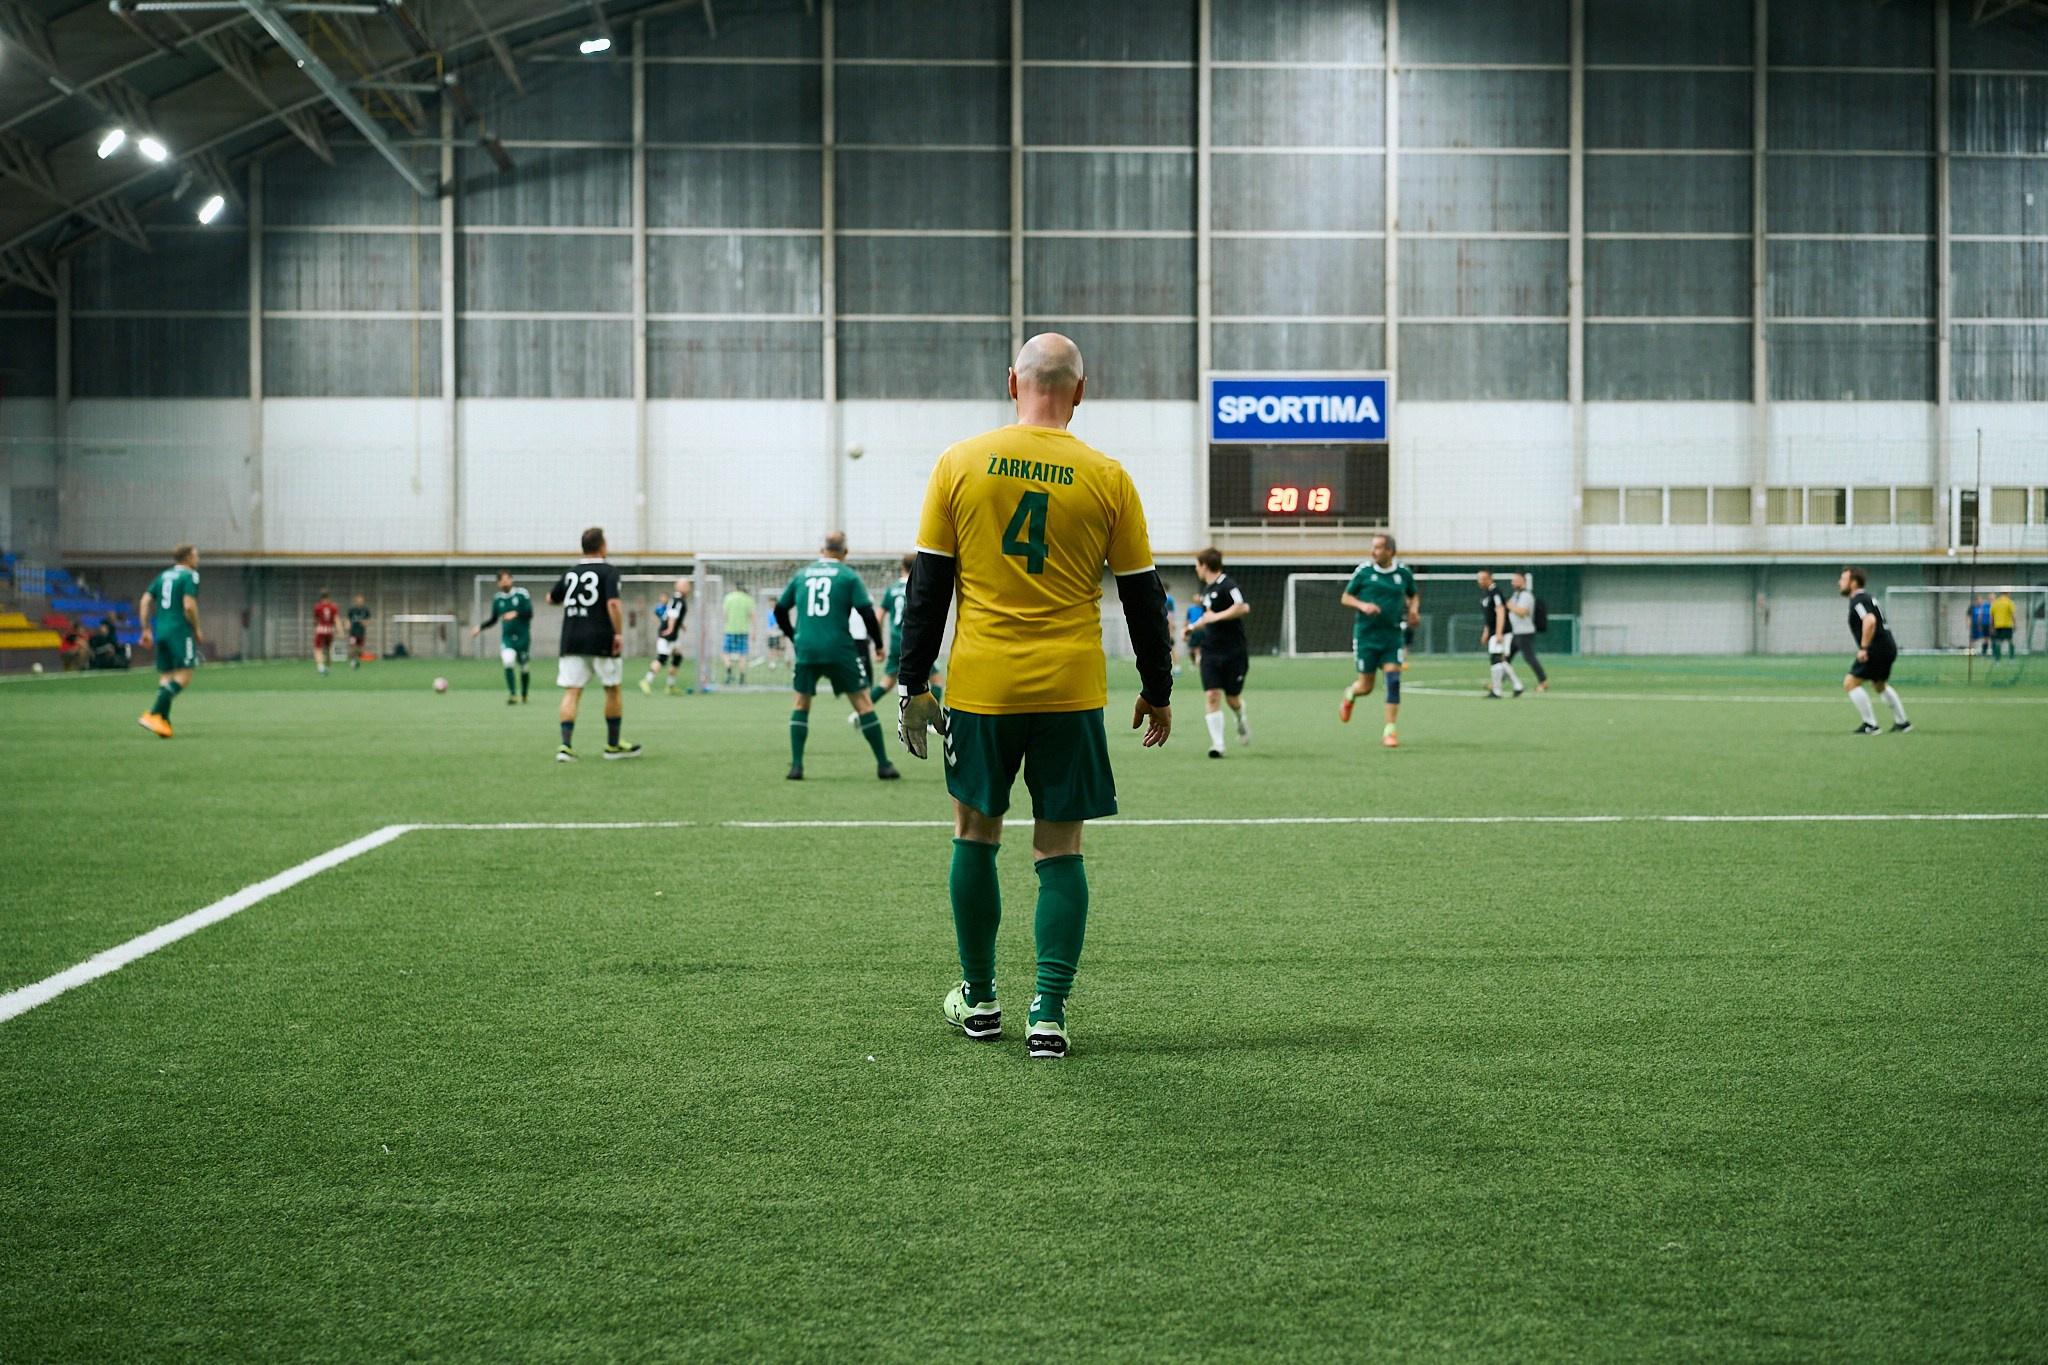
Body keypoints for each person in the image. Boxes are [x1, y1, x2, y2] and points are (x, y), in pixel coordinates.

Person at [896, 332, 1174, 1061]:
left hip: (984, 687)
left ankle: (979, 997)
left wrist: (911, 682)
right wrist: (1158, 687)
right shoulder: (1108, 476)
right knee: (1061, 848)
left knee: (974, 835)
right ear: (1081, 391)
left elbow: (927, 588)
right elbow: (1145, 598)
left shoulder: (959, 462)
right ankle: (1048, 1013)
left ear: (1010, 380)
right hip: (1071, 689)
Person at [773, 532, 897, 781]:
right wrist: (879, 644)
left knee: (800, 704)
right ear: (845, 551)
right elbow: (866, 613)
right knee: (863, 703)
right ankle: (883, 765)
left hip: (807, 648)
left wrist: (794, 636)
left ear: (822, 549)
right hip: (840, 649)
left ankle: (796, 767)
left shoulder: (801, 575)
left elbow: (780, 609)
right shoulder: (848, 576)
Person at [547, 527, 640, 761]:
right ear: (602, 546)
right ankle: (612, 746)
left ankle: (565, 746)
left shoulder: (571, 573)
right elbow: (613, 605)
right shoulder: (608, 571)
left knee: (572, 691)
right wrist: (618, 634)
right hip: (601, 638)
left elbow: (551, 599)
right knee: (612, 688)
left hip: (571, 638)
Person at [1338, 533, 1418, 748]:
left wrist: (1413, 610)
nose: (1373, 551)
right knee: (1366, 687)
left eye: (1378, 548)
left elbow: (1413, 594)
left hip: (1392, 637)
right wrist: (1363, 606)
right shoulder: (1364, 572)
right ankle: (1350, 694)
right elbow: (1346, 597)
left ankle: (1390, 731)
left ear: (1390, 551)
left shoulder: (1403, 573)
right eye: (1373, 547)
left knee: (1393, 682)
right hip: (1366, 637)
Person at [1185, 547, 1250, 757]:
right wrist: (1192, 628)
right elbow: (1207, 617)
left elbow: (1242, 607)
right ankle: (1218, 745)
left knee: (1232, 699)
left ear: (1204, 565)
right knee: (1212, 694)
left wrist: (1218, 617)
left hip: (1234, 651)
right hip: (1210, 651)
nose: (1196, 569)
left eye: (1197, 565)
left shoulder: (1227, 585)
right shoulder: (1205, 591)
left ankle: (1240, 717)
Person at [136, 544, 202, 738]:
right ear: (188, 558)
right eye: (196, 555)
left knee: (167, 676)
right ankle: (154, 713)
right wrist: (196, 628)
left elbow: (145, 601)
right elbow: (189, 606)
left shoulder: (163, 576)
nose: (198, 559)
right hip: (179, 630)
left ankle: (163, 723)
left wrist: (146, 629)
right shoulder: (190, 576)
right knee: (185, 675)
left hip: (161, 631)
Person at [1840, 566, 1909, 735]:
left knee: (1850, 683)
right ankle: (1902, 722)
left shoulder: (1858, 600)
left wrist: (1864, 648)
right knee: (1879, 685)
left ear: (1853, 583)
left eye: (1843, 579)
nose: (1839, 583)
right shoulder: (1869, 598)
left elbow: (1869, 620)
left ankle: (1870, 725)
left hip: (1876, 647)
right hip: (1888, 645)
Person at [870, 553, 943, 705]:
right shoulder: (921, 586)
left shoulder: (892, 590)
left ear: (901, 567)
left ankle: (862, 710)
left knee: (888, 681)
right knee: (937, 682)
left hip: (897, 642)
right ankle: (930, 722)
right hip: (916, 642)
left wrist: (879, 643)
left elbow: (879, 616)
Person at [470, 570, 534, 704]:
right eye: (502, 580)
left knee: (524, 667)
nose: (505, 582)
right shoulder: (498, 599)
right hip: (508, 638)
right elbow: (494, 619)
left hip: (523, 637)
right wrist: (479, 627)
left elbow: (529, 613)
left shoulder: (522, 594)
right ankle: (512, 694)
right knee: (508, 661)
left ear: (511, 579)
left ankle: (524, 694)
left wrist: (515, 614)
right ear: (498, 583)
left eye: (507, 579)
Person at [641, 577, 691, 695]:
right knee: (662, 659)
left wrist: (681, 626)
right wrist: (670, 628)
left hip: (672, 634)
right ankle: (646, 681)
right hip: (668, 634)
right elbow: (672, 615)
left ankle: (670, 686)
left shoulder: (676, 599)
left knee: (677, 657)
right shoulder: (678, 600)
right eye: (686, 585)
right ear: (680, 586)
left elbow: (672, 614)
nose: (688, 587)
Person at [1477, 569, 1519, 697]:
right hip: (1494, 632)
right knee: (1500, 661)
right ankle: (1518, 686)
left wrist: (1499, 633)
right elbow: (1489, 616)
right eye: (1478, 579)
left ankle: (1497, 690)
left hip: (1502, 632)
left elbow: (1500, 611)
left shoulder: (1496, 592)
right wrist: (1486, 631)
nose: (1480, 581)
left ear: (1490, 578)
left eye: (1482, 578)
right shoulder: (1486, 594)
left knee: (1496, 659)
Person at [1505, 571, 1548, 692]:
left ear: (1522, 581)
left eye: (1515, 580)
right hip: (1515, 632)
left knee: (1529, 658)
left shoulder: (1526, 596)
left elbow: (1522, 612)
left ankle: (1543, 682)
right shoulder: (1515, 595)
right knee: (1505, 659)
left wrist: (1509, 605)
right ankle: (1497, 683)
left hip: (1525, 633)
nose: (1512, 582)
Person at [722, 585, 755, 685]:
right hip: (743, 631)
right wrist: (754, 631)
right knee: (742, 654)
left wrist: (725, 625)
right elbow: (752, 616)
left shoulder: (728, 597)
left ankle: (729, 673)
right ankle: (741, 677)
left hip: (730, 630)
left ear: (735, 588)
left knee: (726, 652)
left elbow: (725, 615)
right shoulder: (748, 599)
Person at [312, 589, 339, 675]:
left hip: (321, 630)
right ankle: (327, 667)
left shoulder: (318, 607)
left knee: (318, 649)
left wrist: (315, 626)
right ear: (329, 597)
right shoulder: (333, 607)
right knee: (327, 650)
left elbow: (316, 620)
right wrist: (340, 631)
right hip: (329, 630)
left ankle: (320, 667)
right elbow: (336, 619)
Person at [346, 594, 371, 668]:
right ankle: (353, 661)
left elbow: (369, 619)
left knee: (361, 649)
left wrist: (366, 622)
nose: (360, 602)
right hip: (353, 632)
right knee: (353, 647)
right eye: (358, 601)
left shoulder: (365, 610)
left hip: (361, 632)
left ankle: (358, 660)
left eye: (361, 601)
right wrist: (347, 624)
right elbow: (348, 619)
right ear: (356, 601)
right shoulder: (352, 610)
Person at [1990, 590, 2017, 659]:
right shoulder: (2009, 602)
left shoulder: (1995, 602)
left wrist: (1992, 627)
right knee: (2010, 641)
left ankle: (1997, 660)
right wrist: (2015, 624)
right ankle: (2011, 659)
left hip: (1997, 625)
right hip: (2007, 625)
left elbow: (1991, 616)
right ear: (2008, 593)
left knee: (1998, 642)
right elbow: (2013, 614)